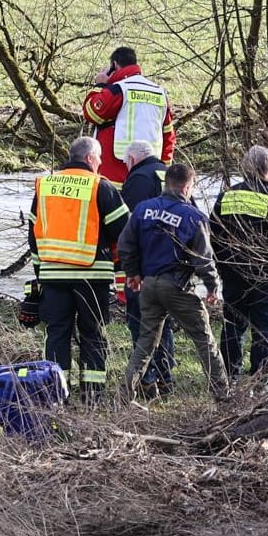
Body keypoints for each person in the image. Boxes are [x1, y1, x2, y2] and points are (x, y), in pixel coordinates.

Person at [27, 136, 130, 402]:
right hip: (91, 277)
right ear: (89, 159)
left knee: (57, 335)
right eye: (99, 159)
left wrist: (41, 275)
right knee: (93, 334)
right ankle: (93, 395)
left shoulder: (45, 186)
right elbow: (125, 232)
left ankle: (56, 394)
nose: (100, 164)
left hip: (53, 277)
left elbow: (33, 236)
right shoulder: (100, 187)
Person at [116, 163, 229, 400]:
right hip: (176, 286)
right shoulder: (193, 217)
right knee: (203, 337)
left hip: (149, 286)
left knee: (145, 343)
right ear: (188, 187)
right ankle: (223, 395)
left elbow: (125, 245)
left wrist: (133, 273)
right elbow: (203, 259)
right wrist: (212, 287)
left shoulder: (142, 209)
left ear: (166, 183)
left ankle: (125, 395)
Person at [211, 145, 268, 380]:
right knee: (264, 328)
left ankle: (230, 376)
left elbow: (213, 236)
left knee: (232, 326)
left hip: (233, 274)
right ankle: (261, 379)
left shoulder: (227, 196)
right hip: (266, 276)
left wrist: (223, 268)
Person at [118, 140, 174, 397]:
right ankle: (165, 377)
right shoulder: (170, 172)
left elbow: (129, 226)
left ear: (131, 159)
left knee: (141, 323)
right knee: (164, 322)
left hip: (145, 266)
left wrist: (129, 268)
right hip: (173, 264)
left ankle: (147, 380)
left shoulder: (137, 179)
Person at [82, 46, 175, 186]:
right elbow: (168, 135)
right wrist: (164, 171)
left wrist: (100, 85)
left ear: (114, 65)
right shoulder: (160, 93)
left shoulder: (118, 90)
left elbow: (91, 113)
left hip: (115, 175)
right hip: (152, 176)